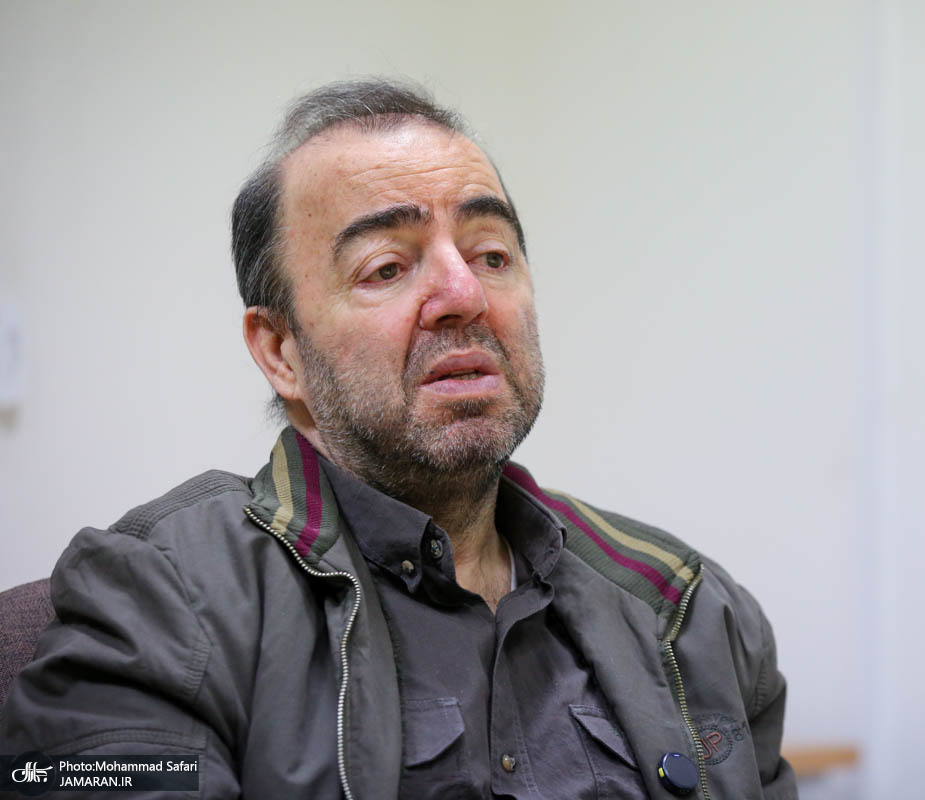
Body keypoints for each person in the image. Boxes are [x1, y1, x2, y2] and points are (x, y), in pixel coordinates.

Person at [1, 79, 796, 799]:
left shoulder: (690, 611)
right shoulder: (156, 602)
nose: (464, 293)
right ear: (281, 352)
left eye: (492, 254)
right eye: (386, 267)